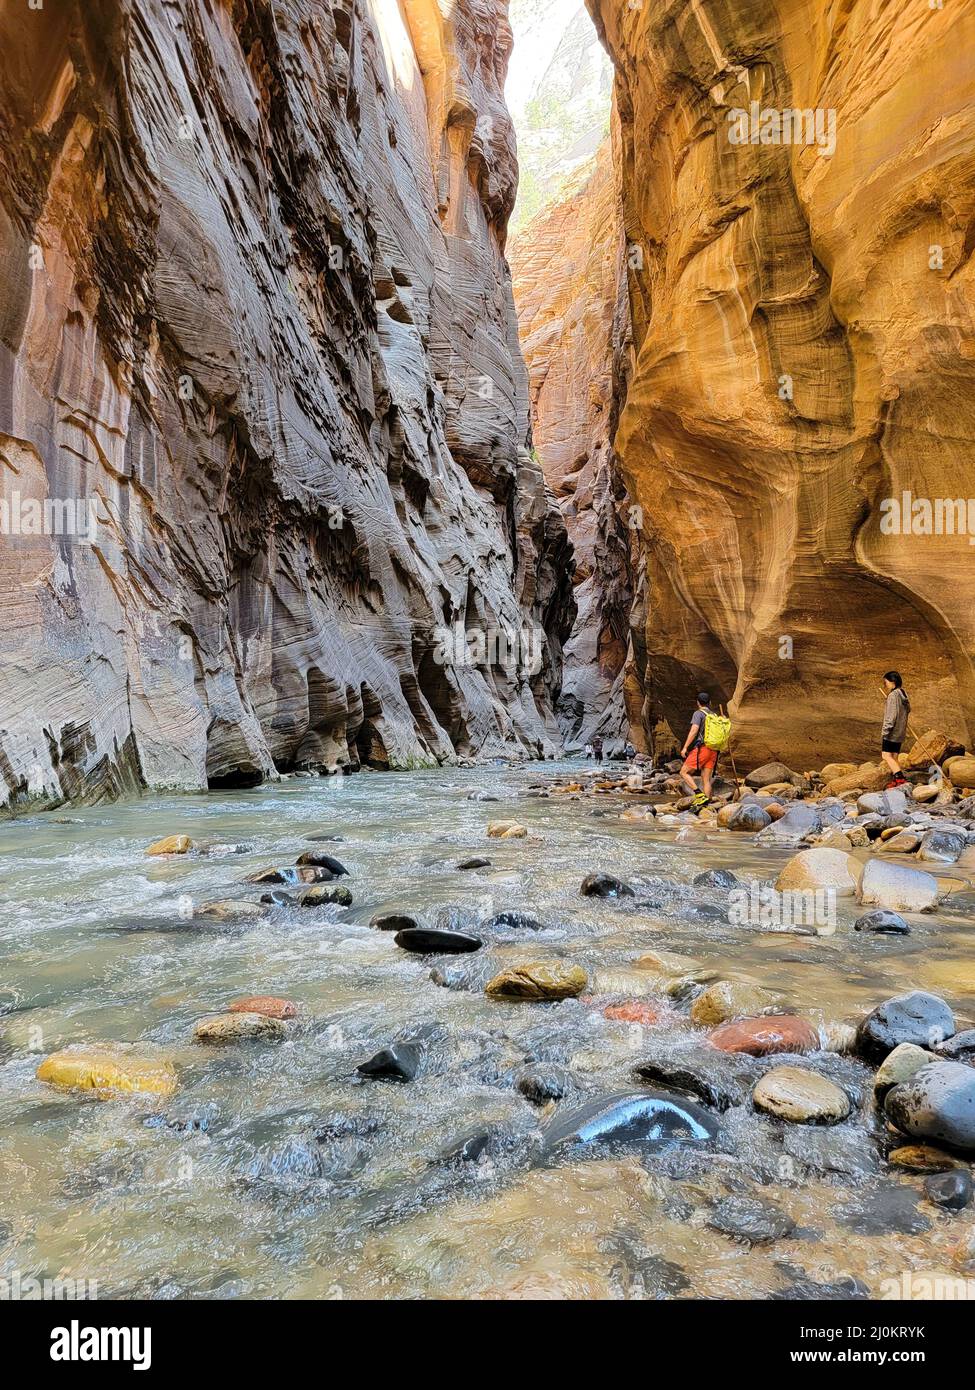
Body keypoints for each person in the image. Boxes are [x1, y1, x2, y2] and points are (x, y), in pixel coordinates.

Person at [679, 691, 718, 812]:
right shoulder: (714, 715)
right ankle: (705, 803)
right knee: (706, 778)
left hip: (703, 748)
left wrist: (685, 747)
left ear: (698, 703)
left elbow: (694, 730)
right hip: (714, 750)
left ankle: (699, 794)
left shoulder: (699, 713)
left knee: (684, 772)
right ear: (709, 703)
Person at [880, 670, 911, 788]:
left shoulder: (893, 695)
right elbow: (908, 709)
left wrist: (885, 731)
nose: (885, 685)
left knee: (886, 756)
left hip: (892, 732)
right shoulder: (903, 693)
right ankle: (896, 780)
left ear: (893, 682)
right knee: (894, 756)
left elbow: (891, 716)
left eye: (886, 682)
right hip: (900, 731)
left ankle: (900, 778)